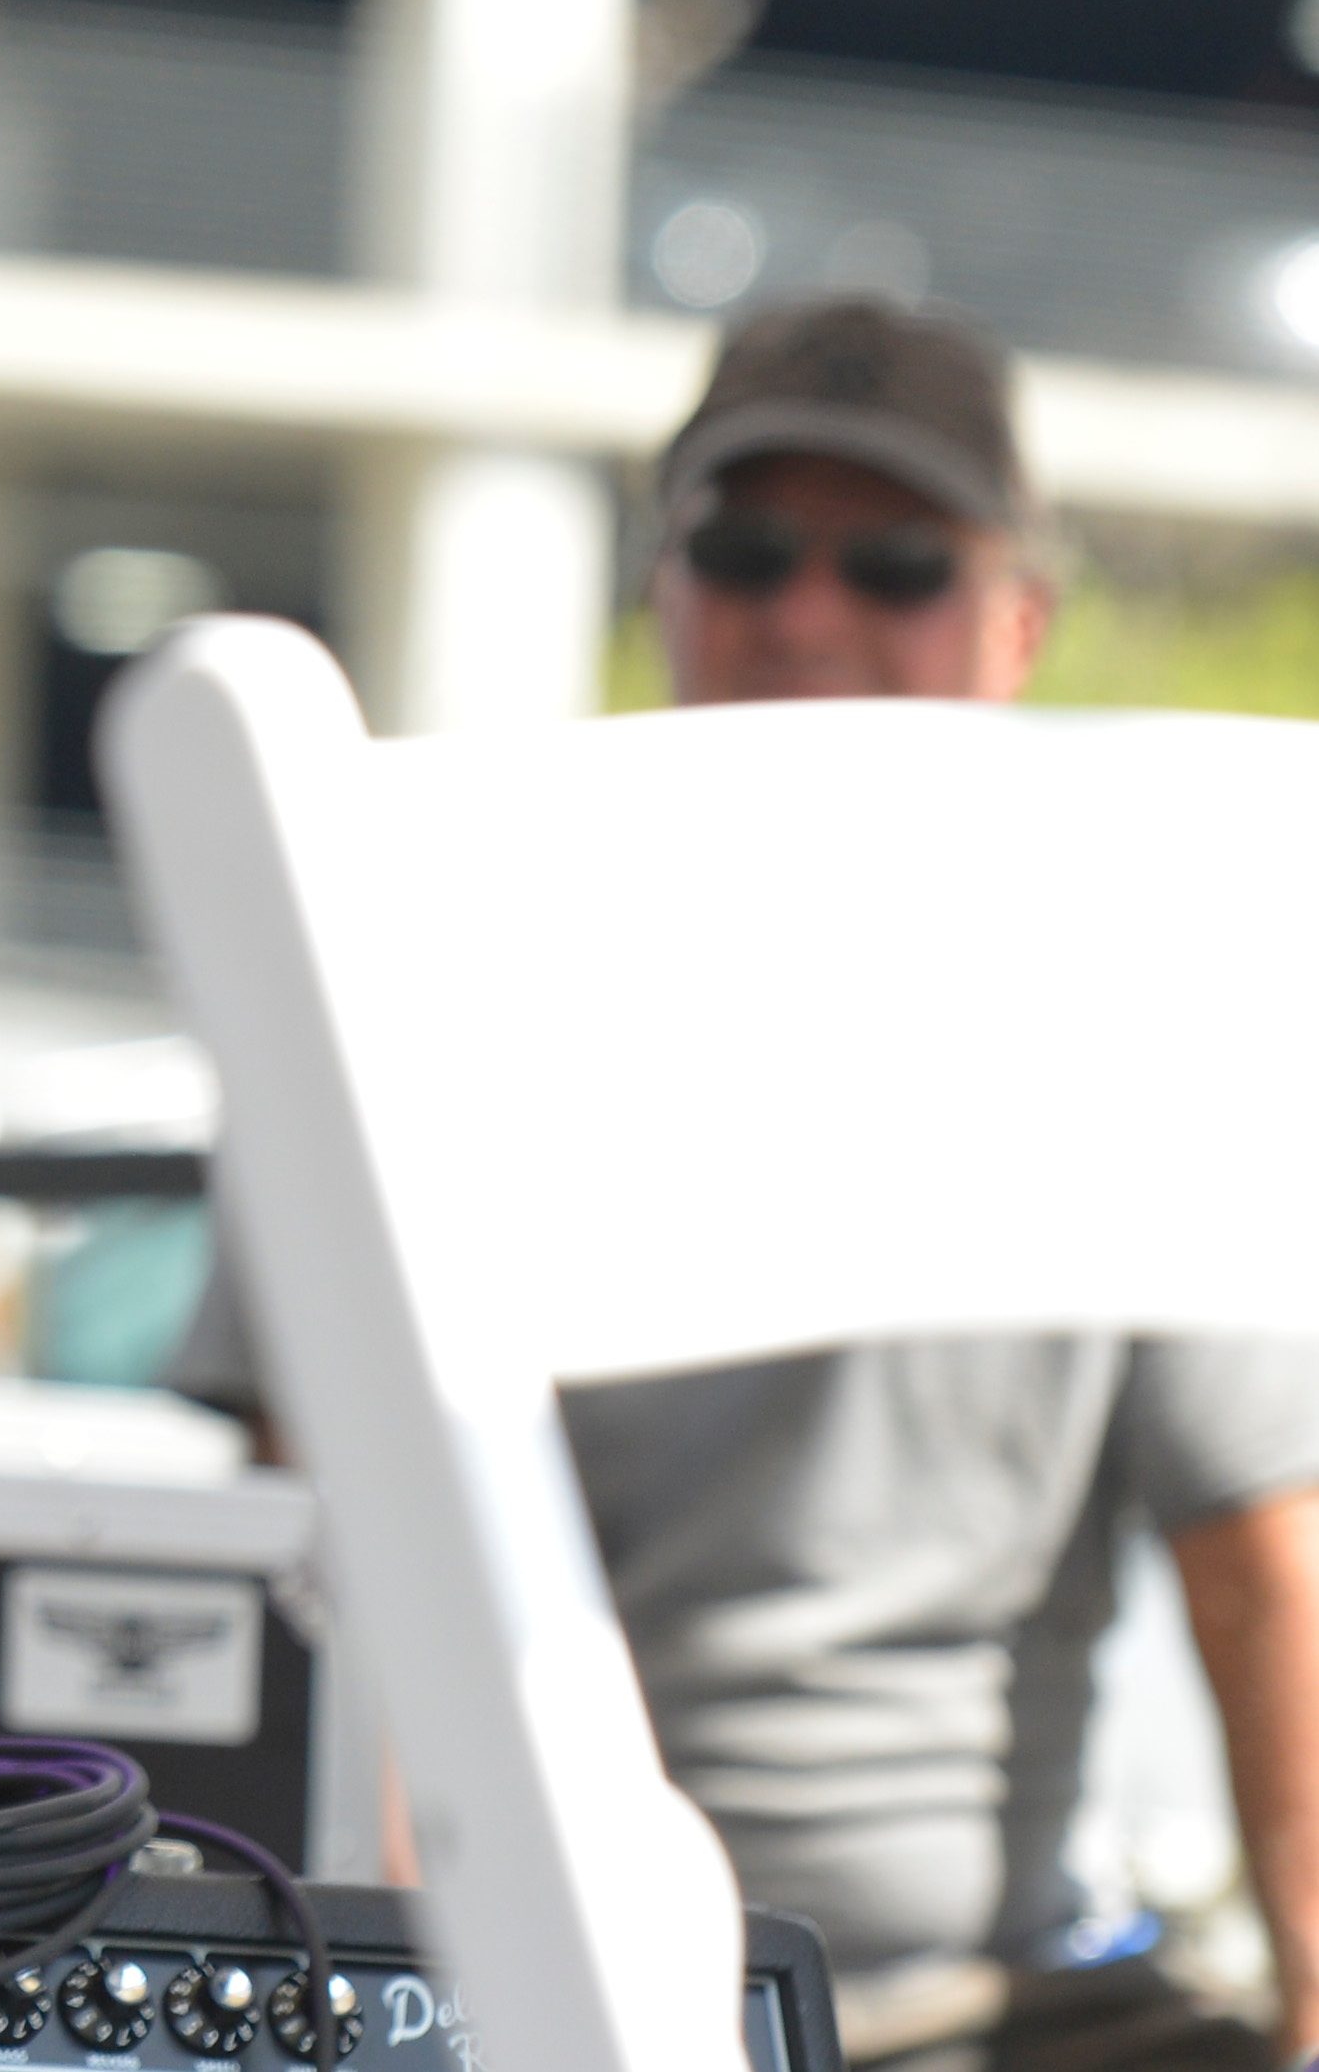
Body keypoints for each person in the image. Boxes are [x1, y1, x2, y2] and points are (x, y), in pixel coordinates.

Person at [190, 296, 1319, 2072]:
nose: (806, 611)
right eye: (748, 545)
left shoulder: (1126, 1015)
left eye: (892, 562)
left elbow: (1268, 1565)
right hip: (525, 2004)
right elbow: (327, 1596)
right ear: (664, 584)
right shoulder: (414, 978)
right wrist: (429, 2004)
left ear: (1022, 620)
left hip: (1002, 2011)